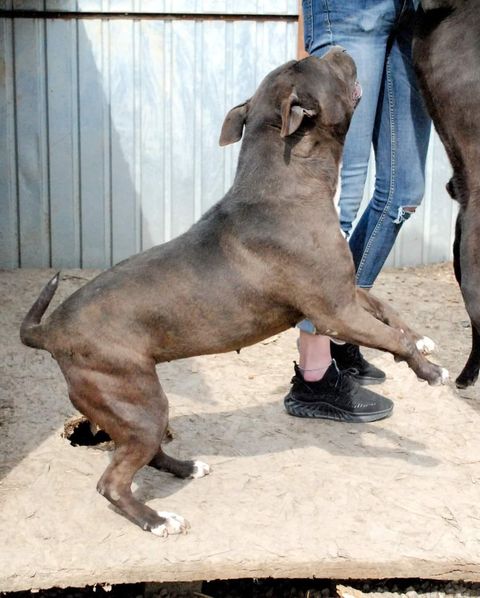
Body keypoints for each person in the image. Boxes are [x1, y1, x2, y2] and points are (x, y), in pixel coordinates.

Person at [284, 0, 431, 422]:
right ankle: (313, 376)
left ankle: (343, 330)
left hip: (412, 14)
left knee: (402, 192)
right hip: (352, 10)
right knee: (338, 200)